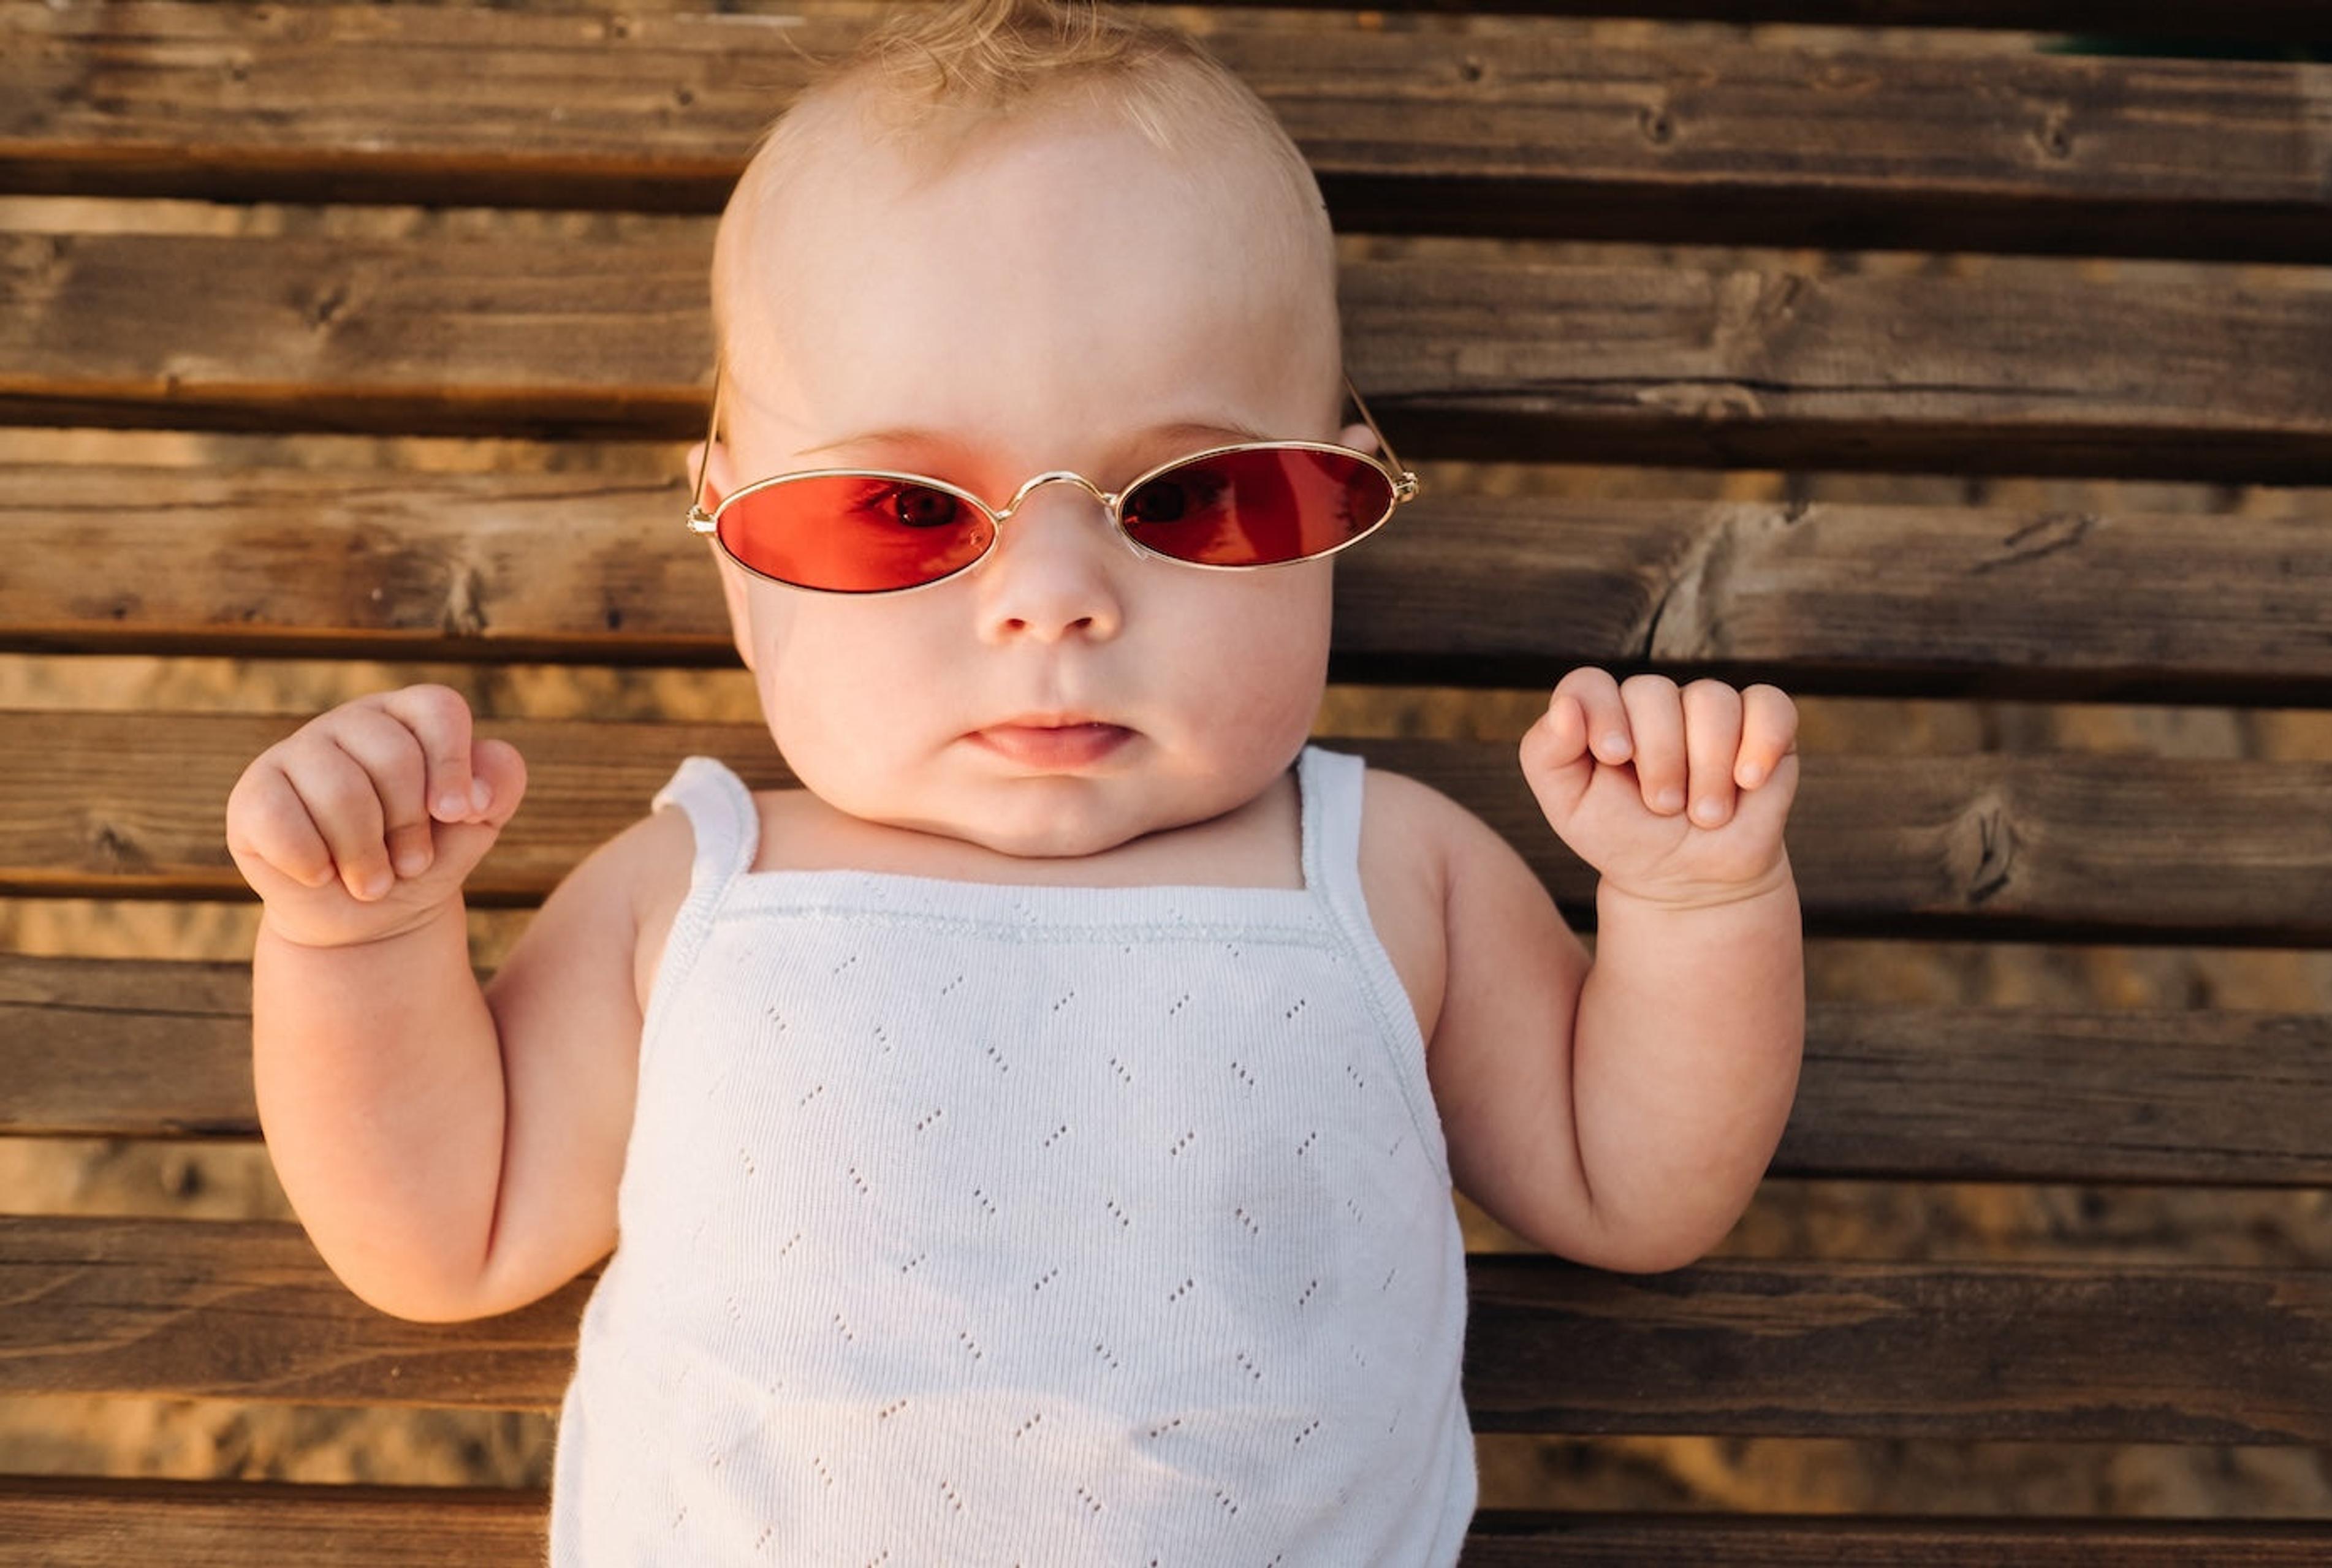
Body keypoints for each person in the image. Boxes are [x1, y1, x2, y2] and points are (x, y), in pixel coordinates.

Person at [222, 0, 1804, 1561]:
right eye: (901, 511)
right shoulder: (700, 891)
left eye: (1194, 496)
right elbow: (450, 1235)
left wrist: (1692, 903)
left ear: (1346, 479)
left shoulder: (1390, 871)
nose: (1054, 598)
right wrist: (359, 944)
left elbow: (1632, 1193)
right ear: (728, 549)